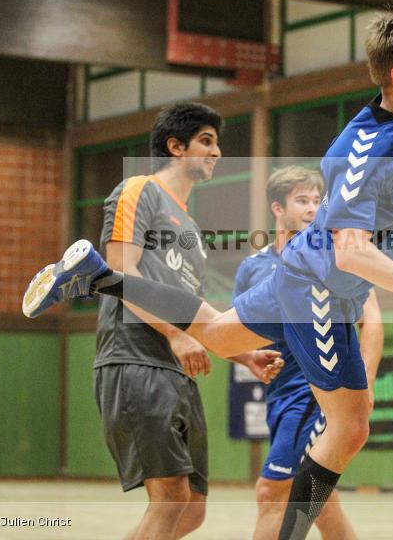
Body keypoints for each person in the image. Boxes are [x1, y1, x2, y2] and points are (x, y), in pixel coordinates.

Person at [23, 7, 393, 540]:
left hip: (300, 272)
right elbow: (351, 254)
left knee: (218, 337)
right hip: (322, 289)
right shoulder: (364, 153)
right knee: (351, 423)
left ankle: (96, 273)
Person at [90, 102, 283, 540]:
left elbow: (196, 317)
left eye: (217, 143)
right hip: (135, 361)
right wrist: (174, 336)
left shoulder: (191, 231)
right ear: (175, 146)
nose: (216, 152)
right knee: (171, 499)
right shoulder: (137, 190)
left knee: (191, 510)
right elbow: (119, 275)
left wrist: (244, 356)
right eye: (206, 141)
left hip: (178, 372)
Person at [234, 166, 383, 539]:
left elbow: (373, 319)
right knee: (320, 501)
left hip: (316, 390)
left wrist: (364, 385)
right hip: (280, 393)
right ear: (277, 208)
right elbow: (237, 330)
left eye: (318, 201)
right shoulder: (252, 268)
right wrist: (246, 356)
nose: (312, 209)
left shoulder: (334, 257)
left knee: (273, 491)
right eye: (302, 200)